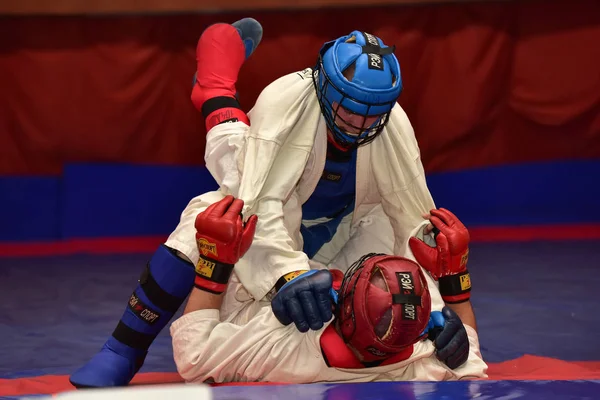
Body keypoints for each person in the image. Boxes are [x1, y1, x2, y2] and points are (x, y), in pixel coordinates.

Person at [70, 16, 473, 387]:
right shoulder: (286, 98)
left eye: (372, 114)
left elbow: (414, 216)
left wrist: (430, 312)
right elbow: (256, 202)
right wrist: (287, 276)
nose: (360, 122)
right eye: (350, 109)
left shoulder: (393, 123)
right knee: (215, 215)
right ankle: (123, 347)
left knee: (402, 234)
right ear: (325, 85)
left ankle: (212, 91)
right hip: (272, 211)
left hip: (341, 234)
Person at [170, 196, 487, 383]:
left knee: (217, 204)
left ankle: (128, 343)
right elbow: (469, 357)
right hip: (361, 311)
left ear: (342, 306)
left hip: (253, 311)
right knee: (390, 213)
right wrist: (453, 281)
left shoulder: (284, 344)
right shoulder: (423, 360)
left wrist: (215, 265)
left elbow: (192, 357)